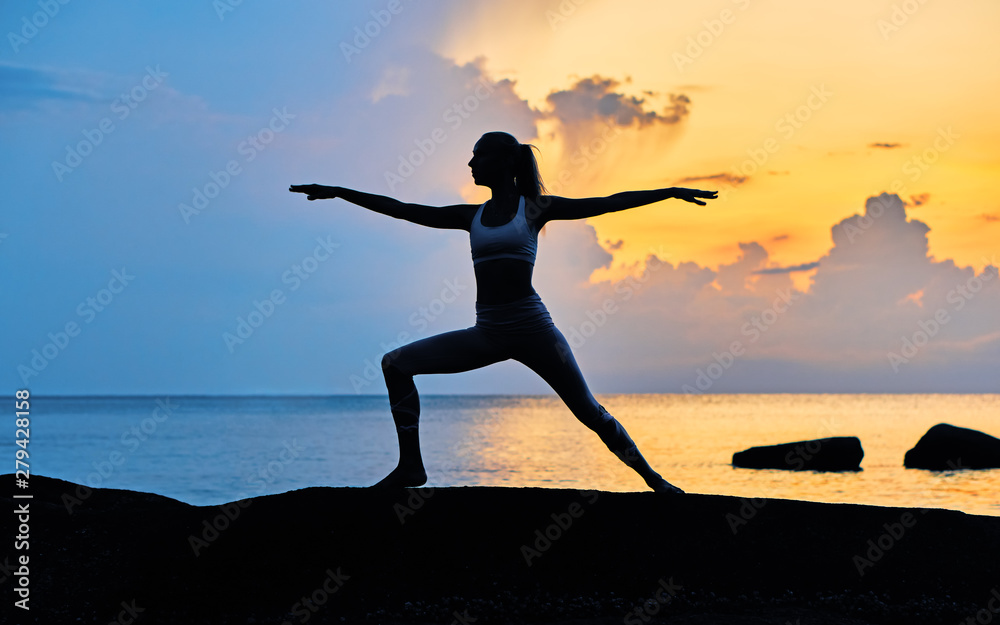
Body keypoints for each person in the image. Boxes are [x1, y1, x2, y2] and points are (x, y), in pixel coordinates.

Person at [290, 131, 716, 493]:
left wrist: (671, 192)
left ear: (506, 161)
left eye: (479, 154)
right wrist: (341, 192)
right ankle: (411, 467)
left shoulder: (534, 208)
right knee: (396, 364)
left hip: (534, 328)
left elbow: (606, 202)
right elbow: (405, 210)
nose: (471, 162)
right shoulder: (470, 216)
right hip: (489, 331)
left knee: (588, 410)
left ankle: (654, 480)